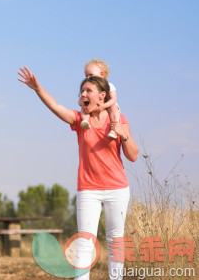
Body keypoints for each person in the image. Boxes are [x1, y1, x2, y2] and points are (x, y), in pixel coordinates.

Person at [18, 66, 138, 280]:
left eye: (88, 91)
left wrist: (124, 136)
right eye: (81, 91)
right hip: (88, 190)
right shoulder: (80, 121)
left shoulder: (119, 120)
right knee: (84, 241)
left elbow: (133, 156)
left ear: (102, 96)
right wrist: (38, 89)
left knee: (115, 240)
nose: (83, 94)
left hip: (117, 189)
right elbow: (55, 106)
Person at [79, 58, 120, 139]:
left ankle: (114, 129)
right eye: (86, 76)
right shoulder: (87, 87)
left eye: (91, 75)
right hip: (94, 108)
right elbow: (80, 101)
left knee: (114, 108)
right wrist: (83, 104)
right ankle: (85, 121)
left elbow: (113, 99)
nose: (88, 78)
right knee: (84, 108)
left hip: (108, 106)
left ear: (101, 74)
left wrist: (104, 106)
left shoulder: (109, 85)